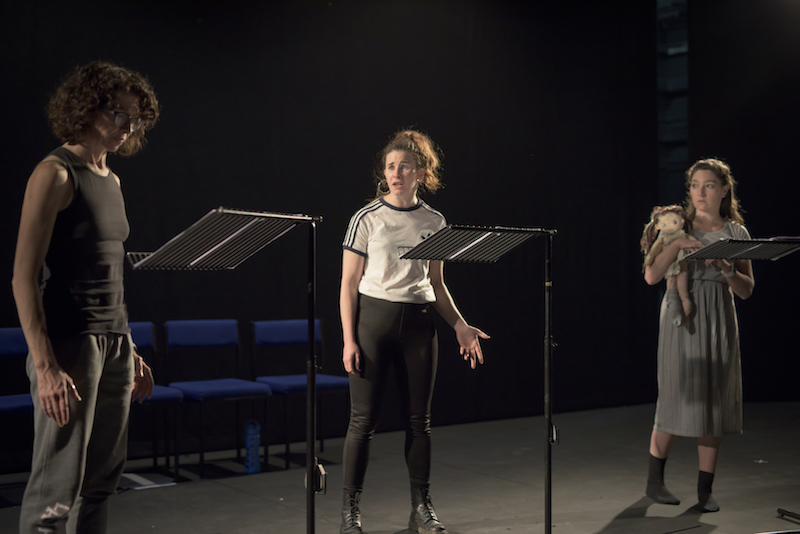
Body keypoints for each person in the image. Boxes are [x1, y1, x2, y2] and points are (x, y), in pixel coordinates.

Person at [12, 61, 159, 534]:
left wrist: (129, 346)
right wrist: (46, 367)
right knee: (57, 491)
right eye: (119, 115)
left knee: (100, 483)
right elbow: (23, 277)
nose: (127, 128)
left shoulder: (112, 180)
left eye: (136, 119)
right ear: (87, 109)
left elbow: (110, 275)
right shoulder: (55, 173)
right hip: (69, 343)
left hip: (112, 344)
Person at [339, 130, 489, 534]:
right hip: (373, 324)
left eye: (404, 166)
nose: (396, 173)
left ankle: (421, 508)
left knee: (419, 421)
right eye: (390, 166)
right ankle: (350, 513)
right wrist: (349, 339)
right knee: (362, 421)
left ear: (421, 171)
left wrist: (459, 325)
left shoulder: (434, 221)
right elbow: (348, 284)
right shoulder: (366, 218)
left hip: (419, 327)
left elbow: (436, 285)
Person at [642, 158, 755, 513]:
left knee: (713, 400)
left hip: (718, 315)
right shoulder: (678, 226)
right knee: (675, 394)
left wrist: (725, 269)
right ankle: (654, 481)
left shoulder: (737, 234)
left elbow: (747, 290)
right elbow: (651, 276)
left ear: (724, 190)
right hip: (682, 318)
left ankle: (705, 489)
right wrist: (674, 246)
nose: (700, 192)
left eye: (708, 185)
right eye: (694, 185)